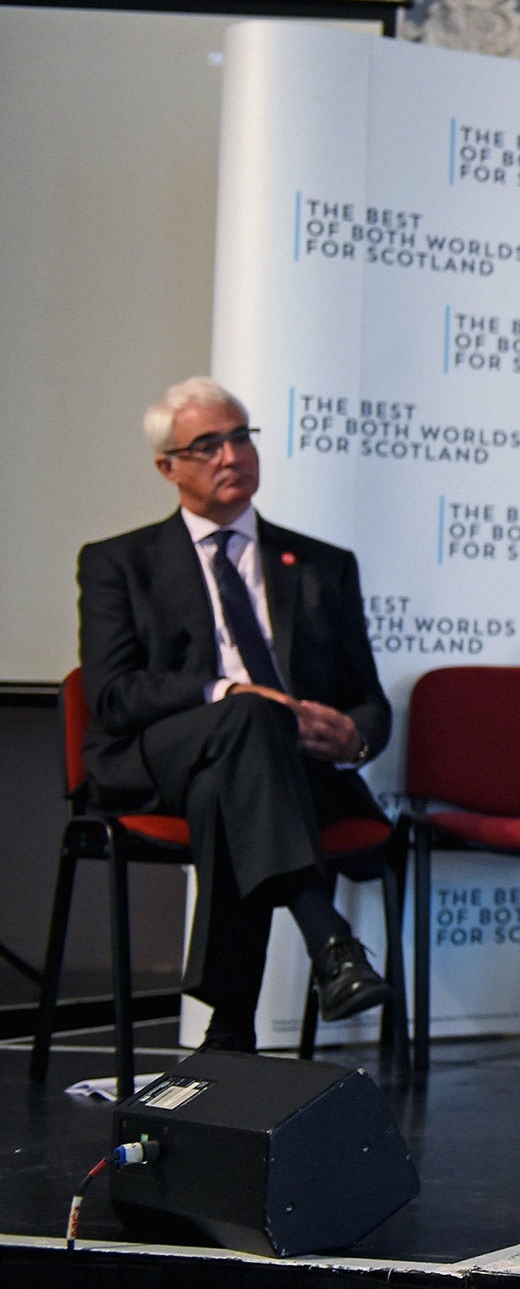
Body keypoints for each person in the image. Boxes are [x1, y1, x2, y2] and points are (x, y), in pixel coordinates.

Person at [77, 378, 396, 1052]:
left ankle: (228, 1033)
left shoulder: (321, 566)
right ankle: (328, 938)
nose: (231, 455)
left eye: (241, 437)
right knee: (247, 722)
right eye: (208, 445)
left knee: (232, 781)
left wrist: (354, 734)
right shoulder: (119, 563)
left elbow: (368, 698)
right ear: (169, 467)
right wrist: (227, 694)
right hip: (159, 756)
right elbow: (113, 695)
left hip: (280, 768)